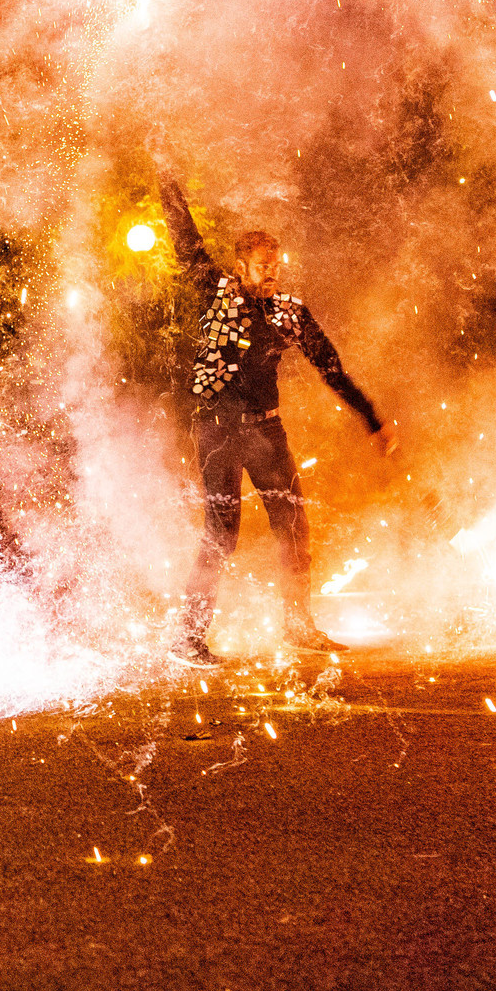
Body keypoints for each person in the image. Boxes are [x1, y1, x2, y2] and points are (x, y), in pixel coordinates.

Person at [158, 173, 395, 657]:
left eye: (276, 264)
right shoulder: (215, 292)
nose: (272, 272)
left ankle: (297, 626)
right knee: (222, 534)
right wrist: (166, 178)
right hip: (218, 430)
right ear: (240, 266)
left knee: (293, 526)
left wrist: (372, 420)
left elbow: (332, 369)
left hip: (267, 430)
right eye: (262, 265)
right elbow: (186, 240)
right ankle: (188, 638)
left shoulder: (290, 313)